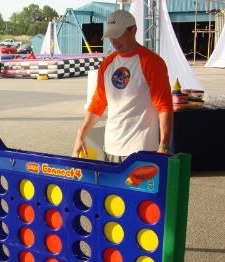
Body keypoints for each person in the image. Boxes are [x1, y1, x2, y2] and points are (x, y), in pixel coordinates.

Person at [73, 10, 173, 163]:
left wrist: (164, 146)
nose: (114, 41)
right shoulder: (107, 64)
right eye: (111, 36)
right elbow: (98, 104)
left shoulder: (152, 62)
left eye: (118, 34)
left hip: (142, 149)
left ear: (133, 30)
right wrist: (81, 136)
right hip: (111, 147)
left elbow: (164, 106)